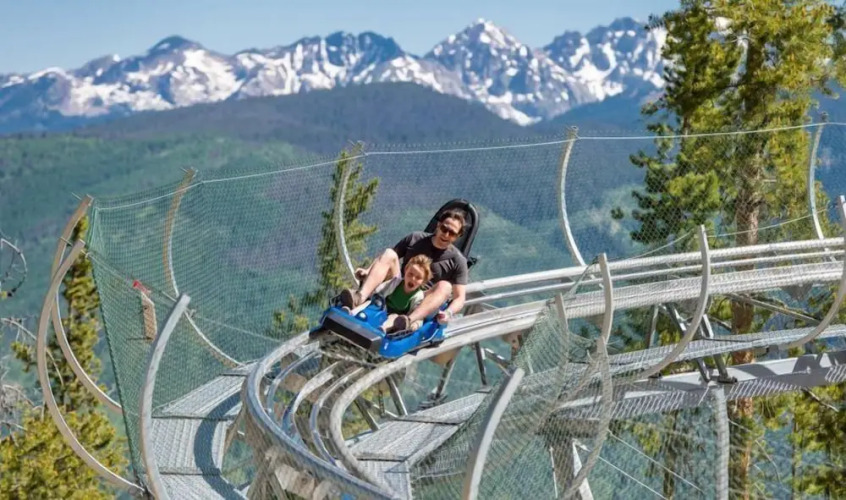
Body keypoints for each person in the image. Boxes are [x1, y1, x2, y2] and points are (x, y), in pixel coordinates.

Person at [338, 208, 469, 332]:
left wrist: (448, 312)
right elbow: (388, 257)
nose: (446, 234)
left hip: (422, 299)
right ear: (438, 225)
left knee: (446, 286)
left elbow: (459, 298)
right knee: (389, 253)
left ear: (458, 236)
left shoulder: (458, 261)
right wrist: (368, 271)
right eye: (444, 229)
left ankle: (407, 320)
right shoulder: (415, 238)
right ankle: (359, 298)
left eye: (452, 233)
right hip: (400, 284)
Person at [373, 254, 432, 332]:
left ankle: (382, 329)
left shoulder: (418, 296)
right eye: (410, 274)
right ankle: (356, 312)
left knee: (394, 317)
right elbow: (379, 291)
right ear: (405, 270)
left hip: (396, 320)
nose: (413, 279)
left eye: (418, 278)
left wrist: (415, 325)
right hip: (381, 309)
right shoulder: (396, 283)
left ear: (423, 281)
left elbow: (418, 316)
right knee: (369, 304)